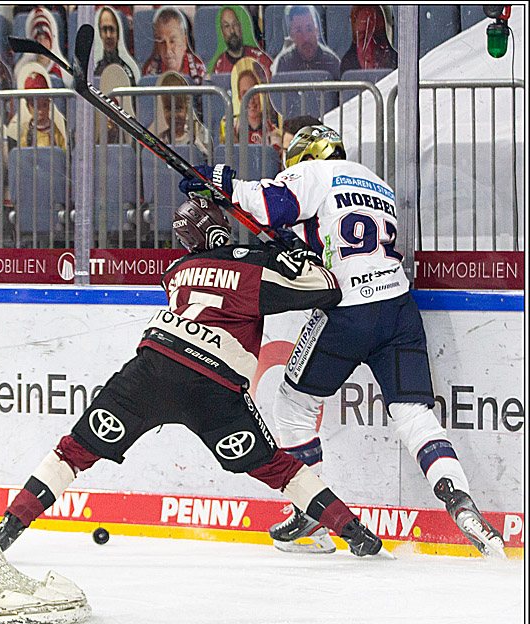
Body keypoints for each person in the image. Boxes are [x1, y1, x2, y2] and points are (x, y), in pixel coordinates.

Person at [0, 194, 387, 559]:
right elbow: (326, 289)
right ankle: (356, 533)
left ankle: (6, 530)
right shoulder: (253, 267)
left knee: (74, 450)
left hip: (152, 368)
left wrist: (267, 255)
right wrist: (293, 255)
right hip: (213, 386)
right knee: (274, 467)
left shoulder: (175, 272)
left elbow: (214, 273)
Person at [177, 126, 505, 558]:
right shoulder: (375, 182)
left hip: (349, 311)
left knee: (293, 404)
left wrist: (219, 182)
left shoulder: (314, 174)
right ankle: (460, 501)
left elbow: (271, 204)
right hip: (399, 308)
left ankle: (311, 514)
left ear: (306, 156)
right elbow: (330, 239)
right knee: (414, 415)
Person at [220, 57, 282, 152]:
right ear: (240, 98)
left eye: (254, 92)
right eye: (245, 93)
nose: (251, 100)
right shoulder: (231, 133)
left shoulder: (274, 133)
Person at [6, 62, 67, 151]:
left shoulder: (55, 131)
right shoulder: (28, 133)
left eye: (44, 105)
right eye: (35, 106)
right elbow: (23, 155)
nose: (40, 111)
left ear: (49, 105)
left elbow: (62, 152)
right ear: (28, 107)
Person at [148, 71, 210, 155]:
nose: (174, 115)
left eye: (179, 109)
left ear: (186, 108)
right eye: (168, 109)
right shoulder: (161, 140)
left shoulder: (197, 138)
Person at [271, 6, 341, 79]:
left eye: (309, 29)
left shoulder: (332, 62)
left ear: (316, 32)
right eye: (299, 31)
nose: (305, 38)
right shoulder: (284, 63)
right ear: (292, 35)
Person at [142, 6, 206, 83]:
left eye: (172, 41)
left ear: (184, 41)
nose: (168, 50)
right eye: (162, 42)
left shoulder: (199, 71)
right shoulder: (150, 71)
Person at [15, 8, 72, 88]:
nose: (42, 44)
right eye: (39, 39)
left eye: (46, 39)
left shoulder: (62, 70)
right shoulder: (25, 69)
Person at [208, 5, 273, 75]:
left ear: (240, 27)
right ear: (222, 32)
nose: (232, 30)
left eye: (235, 24)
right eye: (227, 26)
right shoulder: (218, 67)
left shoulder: (261, 60)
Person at [340, 5, 397, 73]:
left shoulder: (403, 65)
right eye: (363, 39)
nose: (370, 50)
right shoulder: (345, 77)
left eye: (379, 38)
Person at [92, 5, 140, 83]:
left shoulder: (129, 69)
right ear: (99, 33)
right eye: (104, 30)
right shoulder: (93, 69)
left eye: (111, 29)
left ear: (118, 33)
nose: (108, 35)